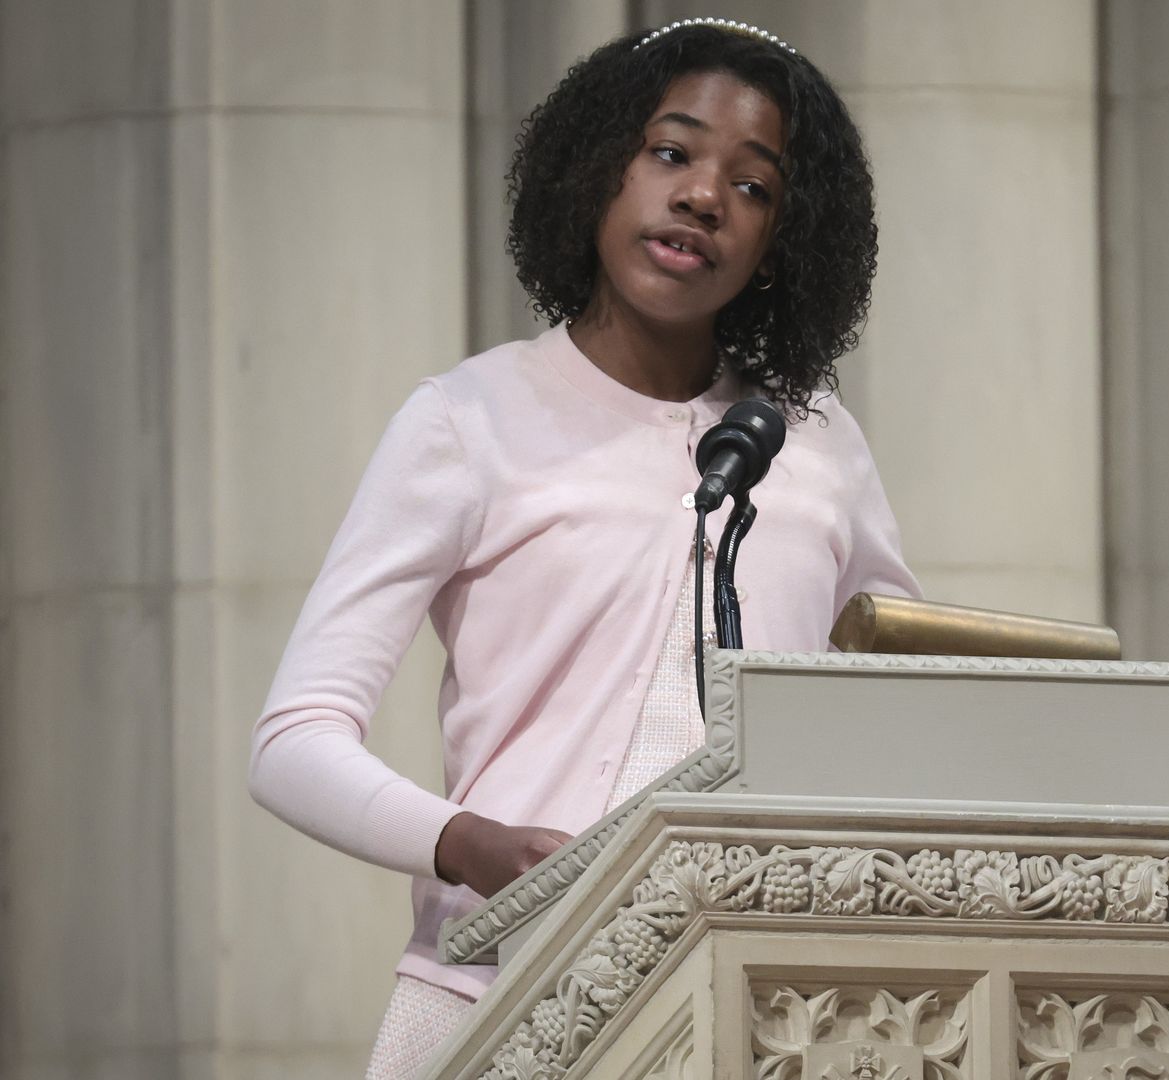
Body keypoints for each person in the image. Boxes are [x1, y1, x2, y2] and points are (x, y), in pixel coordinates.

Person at [247, 19, 917, 1078]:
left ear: (786, 240)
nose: (703, 196)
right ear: (597, 167)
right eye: (672, 152)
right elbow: (291, 742)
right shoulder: (469, 420)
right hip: (505, 991)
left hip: (767, 1010)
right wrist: (472, 843)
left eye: (754, 186)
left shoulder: (815, 442)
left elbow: (902, 704)